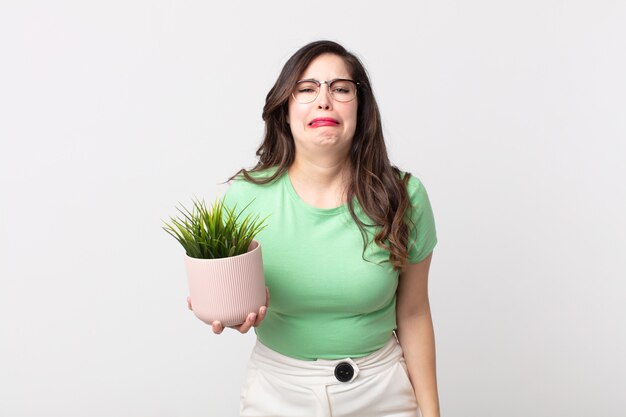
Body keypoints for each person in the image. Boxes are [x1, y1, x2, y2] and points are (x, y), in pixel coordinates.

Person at [188, 40, 440, 417]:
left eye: (340, 89)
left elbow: (415, 312)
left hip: (381, 392)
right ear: (285, 111)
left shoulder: (404, 196)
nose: (324, 100)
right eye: (306, 89)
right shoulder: (244, 198)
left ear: (361, 108)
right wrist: (230, 310)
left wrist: (432, 413)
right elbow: (230, 291)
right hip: (277, 392)